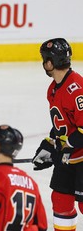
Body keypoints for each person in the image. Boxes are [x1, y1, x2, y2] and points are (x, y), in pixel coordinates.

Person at [32, 38, 83, 231]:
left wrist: (66, 144)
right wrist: (48, 145)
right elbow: (61, 126)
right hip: (69, 157)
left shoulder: (77, 88)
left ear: (49, 62)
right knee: (61, 201)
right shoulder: (53, 89)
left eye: (44, 59)